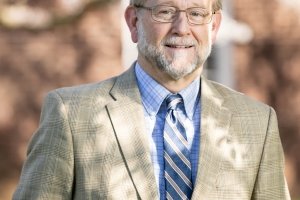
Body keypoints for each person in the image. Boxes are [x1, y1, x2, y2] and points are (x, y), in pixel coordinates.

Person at [13, 0, 291, 199]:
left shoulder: (258, 122)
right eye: (165, 11)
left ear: (214, 27)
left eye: (196, 13)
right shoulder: (70, 114)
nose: (182, 28)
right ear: (133, 22)